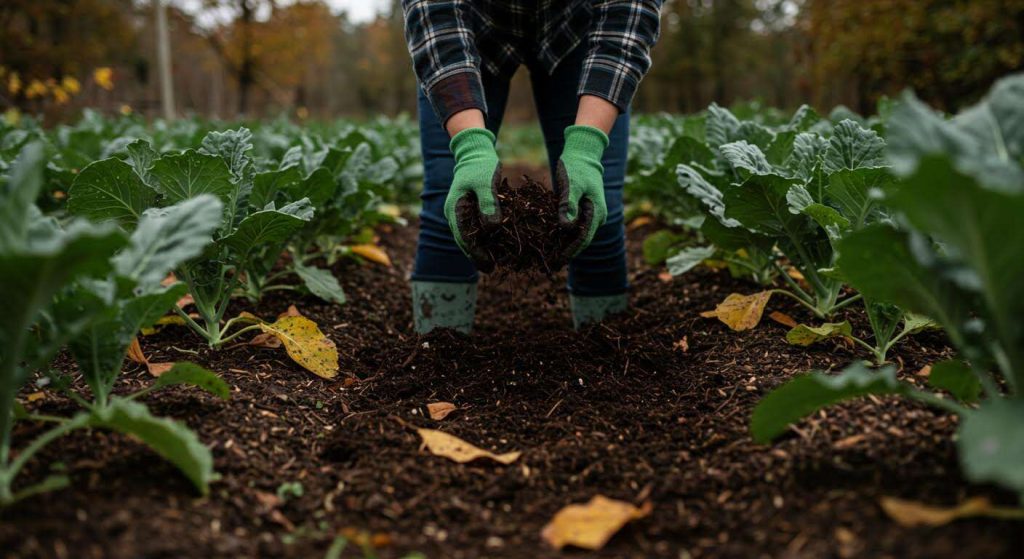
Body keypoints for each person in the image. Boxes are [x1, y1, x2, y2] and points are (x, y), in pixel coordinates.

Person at [402, 0, 663, 333]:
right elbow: (433, 15)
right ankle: (436, 349)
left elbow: (629, 15)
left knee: (596, 210)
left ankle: (605, 345)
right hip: (469, 28)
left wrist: (586, 148)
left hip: (578, 28)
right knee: (450, 197)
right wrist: (470, 148)